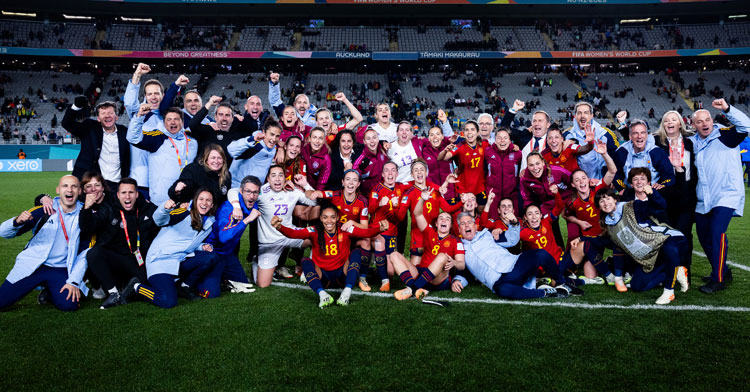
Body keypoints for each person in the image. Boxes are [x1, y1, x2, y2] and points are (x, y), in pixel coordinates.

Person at [273, 200, 388, 308]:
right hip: (323, 277)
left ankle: (346, 293)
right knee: (305, 261)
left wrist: (380, 229)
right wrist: (279, 227)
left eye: (333, 217)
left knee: (357, 252)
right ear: (321, 218)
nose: (329, 221)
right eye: (325, 217)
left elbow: (366, 232)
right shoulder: (314, 231)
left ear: (337, 218)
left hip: (342, 276)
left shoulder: (345, 229)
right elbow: (294, 233)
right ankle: (323, 295)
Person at [689, 99, 750, 293]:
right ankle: (722, 269)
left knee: (716, 233)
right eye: (700, 121)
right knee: (703, 236)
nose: (705, 123)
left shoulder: (725, 135)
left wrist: (727, 109)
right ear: (693, 124)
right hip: (704, 197)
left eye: (707, 119)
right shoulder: (692, 142)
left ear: (712, 120)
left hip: (726, 193)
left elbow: (746, 125)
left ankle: (718, 279)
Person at [0, 175, 86, 311]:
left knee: (69, 305)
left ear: (80, 191)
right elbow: (3, 233)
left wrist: (74, 281)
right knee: (1, 302)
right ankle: (46, 287)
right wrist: (16, 221)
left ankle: (50, 291)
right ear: (58, 190)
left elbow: (86, 252)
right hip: (34, 265)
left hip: (61, 269)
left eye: (74, 186)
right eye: (65, 186)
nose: (69, 190)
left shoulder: (86, 215)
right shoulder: (44, 210)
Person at [593, 185, 689, 304]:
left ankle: (669, 291)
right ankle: (675, 269)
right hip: (651, 256)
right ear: (599, 206)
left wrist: (652, 194)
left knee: (669, 247)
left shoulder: (632, 206)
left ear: (615, 199)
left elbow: (659, 206)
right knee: (637, 286)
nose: (605, 203)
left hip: (667, 240)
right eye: (601, 201)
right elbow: (607, 243)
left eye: (608, 198)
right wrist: (580, 239)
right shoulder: (609, 225)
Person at [227, 165, 318, 288]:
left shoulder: (292, 191)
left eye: (281, 175)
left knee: (317, 237)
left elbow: (314, 202)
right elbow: (233, 191)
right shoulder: (261, 192)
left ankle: (312, 271)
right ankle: (256, 261)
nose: (277, 179)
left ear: (285, 179)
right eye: (273, 175)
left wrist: (305, 184)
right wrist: (236, 206)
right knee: (262, 284)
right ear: (268, 179)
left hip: (290, 235)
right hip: (269, 242)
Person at [456, 212, 581, 299]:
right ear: (459, 230)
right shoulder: (460, 247)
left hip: (514, 265)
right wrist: (457, 280)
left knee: (541, 254)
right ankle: (545, 293)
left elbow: (511, 240)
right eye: (463, 224)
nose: (467, 225)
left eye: (469, 222)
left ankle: (562, 283)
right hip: (497, 280)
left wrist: (515, 224)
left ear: (475, 225)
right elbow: (461, 268)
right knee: (502, 290)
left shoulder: (488, 235)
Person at [129, 189, 220, 308]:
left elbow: (186, 242)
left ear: (212, 205)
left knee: (211, 257)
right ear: (195, 200)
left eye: (208, 200)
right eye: (201, 199)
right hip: (160, 261)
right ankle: (137, 287)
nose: (204, 203)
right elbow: (159, 220)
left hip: (178, 260)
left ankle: (184, 287)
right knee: (168, 301)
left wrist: (201, 246)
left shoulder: (208, 222)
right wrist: (164, 208)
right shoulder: (183, 213)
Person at [81, 178, 158, 309]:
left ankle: (128, 289)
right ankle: (114, 294)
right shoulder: (109, 207)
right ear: (118, 195)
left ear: (137, 194)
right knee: (94, 253)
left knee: (148, 284)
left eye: (131, 192)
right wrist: (86, 209)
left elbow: (163, 219)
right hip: (114, 259)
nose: (127, 196)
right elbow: (89, 227)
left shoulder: (146, 208)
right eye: (123, 193)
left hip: (136, 259)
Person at [558, 139, 617, 283]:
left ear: (588, 179)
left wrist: (604, 154)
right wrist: (578, 221)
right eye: (577, 180)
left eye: (583, 178)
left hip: (605, 236)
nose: (581, 182)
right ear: (573, 184)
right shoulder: (572, 202)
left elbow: (612, 171)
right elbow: (565, 214)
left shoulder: (597, 192)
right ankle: (607, 266)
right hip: (589, 242)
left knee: (620, 246)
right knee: (590, 275)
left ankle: (615, 268)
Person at [393, 187, 465, 301]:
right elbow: (417, 215)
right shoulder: (430, 232)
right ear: (436, 223)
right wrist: (422, 199)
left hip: (439, 279)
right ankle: (418, 289)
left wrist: (454, 262)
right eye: (441, 218)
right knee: (394, 255)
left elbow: (462, 265)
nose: (444, 220)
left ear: (451, 225)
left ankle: (412, 289)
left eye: (447, 219)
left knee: (442, 256)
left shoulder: (456, 241)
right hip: (422, 273)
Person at [653, 110, 697, 280]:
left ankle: (685, 270)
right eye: (666, 120)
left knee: (684, 233)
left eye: (674, 120)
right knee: (665, 234)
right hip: (665, 194)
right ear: (663, 125)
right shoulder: (657, 142)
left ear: (680, 123)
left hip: (686, 194)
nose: (670, 123)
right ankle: (667, 271)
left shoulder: (691, 143)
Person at [127, 106, 198, 207]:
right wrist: (139, 117)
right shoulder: (158, 138)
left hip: (185, 200)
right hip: (162, 200)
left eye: (176, 119)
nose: (173, 122)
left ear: (182, 122)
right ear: (164, 123)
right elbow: (133, 138)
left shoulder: (193, 141)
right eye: (169, 119)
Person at [395, 159, 461, 266]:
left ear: (426, 172)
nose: (419, 172)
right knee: (415, 273)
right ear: (412, 174)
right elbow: (400, 217)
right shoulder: (409, 193)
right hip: (418, 236)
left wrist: (462, 202)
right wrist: (394, 207)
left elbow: (448, 209)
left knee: (434, 268)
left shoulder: (434, 190)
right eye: (416, 170)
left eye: (422, 169)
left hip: (435, 235)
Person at [315, 169, 372, 291]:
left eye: (354, 180)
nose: (351, 183)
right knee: (317, 232)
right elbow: (319, 194)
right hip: (336, 237)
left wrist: (352, 222)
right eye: (348, 179)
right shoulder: (335, 195)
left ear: (358, 184)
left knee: (366, 241)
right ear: (343, 182)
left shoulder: (363, 201)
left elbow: (365, 227)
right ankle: (316, 266)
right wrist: (309, 190)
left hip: (351, 237)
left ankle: (362, 277)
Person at [62, 99, 130, 190]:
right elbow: (67, 124)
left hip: (116, 185)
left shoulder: (124, 132)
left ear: (116, 116)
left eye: (110, 113)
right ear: (98, 118)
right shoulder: (90, 127)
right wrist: (76, 106)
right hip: (92, 184)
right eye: (103, 113)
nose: (107, 116)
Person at [209, 175, 261, 292]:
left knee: (242, 282)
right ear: (241, 191)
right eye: (248, 192)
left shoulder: (253, 204)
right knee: (212, 291)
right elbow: (224, 237)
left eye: (255, 192)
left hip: (227, 253)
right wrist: (246, 220)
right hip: (213, 252)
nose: (251, 196)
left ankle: (223, 276)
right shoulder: (229, 209)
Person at [124, 63, 167, 197]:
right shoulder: (139, 113)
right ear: (145, 97)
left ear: (163, 95)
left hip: (162, 181)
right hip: (140, 180)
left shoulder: (169, 118)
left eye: (156, 93)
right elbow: (130, 102)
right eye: (149, 94)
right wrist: (137, 75)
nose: (153, 97)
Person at [367, 161, 408, 292]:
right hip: (377, 230)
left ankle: (373, 272)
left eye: (393, 170)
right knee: (379, 245)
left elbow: (418, 183)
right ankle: (379, 277)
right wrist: (379, 203)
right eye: (387, 170)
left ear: (397, 173)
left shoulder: (401, 187)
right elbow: (370, 209)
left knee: (390, 273)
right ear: (382, 174)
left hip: (391, 232)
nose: (390, 173)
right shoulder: (376, 189)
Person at [520, 152, 573, 248]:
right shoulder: (525, 178)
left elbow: (574, 180)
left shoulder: (556, 171)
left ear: (543, 162)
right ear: (527, 166)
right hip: (548, 204)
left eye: (537, 163)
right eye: (531, 165)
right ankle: (554, 250)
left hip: (567, 199)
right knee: (547, 224)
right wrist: (530, 213)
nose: (535, 168)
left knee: (573, 228)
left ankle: (572, 255)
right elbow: (527, 199)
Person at [612, 119, 674, 192]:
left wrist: (662, 185)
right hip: (629, 193)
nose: (639, 136)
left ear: (647, 135)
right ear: (630, 136)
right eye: (635, 133)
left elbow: (669, 176)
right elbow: (615, 175)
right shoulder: (621, 152)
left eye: (642, 133)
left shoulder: (657, 152)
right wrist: (623, 189)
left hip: (653, 193)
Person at [564, 101, 619, 180]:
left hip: (602, 183)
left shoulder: (606, 134)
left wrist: (614, 180)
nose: (582, 116)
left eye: (586, 113)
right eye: (579, 113)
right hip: (578, 185)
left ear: (591, 115)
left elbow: (616, 158)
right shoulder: (567, 135)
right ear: (575, 116)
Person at [440, 120, 489, 207]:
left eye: (472, 129)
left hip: (480, 186)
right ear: (463, 133)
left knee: (481, 213)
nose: (469, 132)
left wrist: (514, 147)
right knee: (464, 214)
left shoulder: (485, 144)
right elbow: (444, 158)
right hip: (463, 187)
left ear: (478, 132)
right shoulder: (459, 146)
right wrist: (445, 150)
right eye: (467, 130)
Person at [188, 96, 251, 163]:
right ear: (215, 117)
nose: (224, 118)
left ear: (232, 118)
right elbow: (192, 125)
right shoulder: (207, 131)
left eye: (227, 115)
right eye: (221, 114)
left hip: (226, 172)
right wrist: (209, 104)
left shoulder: (238, 134)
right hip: (203, 171)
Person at [227, 118, 282, 188]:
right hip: (238, 187)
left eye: (277, 136)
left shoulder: (273, 149)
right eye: (271, 134)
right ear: (264, 132)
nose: (274, 139)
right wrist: (252, 139)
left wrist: (281, 149)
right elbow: (231, 150)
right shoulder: (255, 144)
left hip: (255, 190)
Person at [484, 127, 522, 219]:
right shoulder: (487, 152)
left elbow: (521, 174)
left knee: (512, 223)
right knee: (493, 223)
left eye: (505, 138)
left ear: (510, 140)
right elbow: (483, 171)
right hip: (493, 196)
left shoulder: (518, 154)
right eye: (499, 138)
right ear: (495, 140)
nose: (502, 141)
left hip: (512, 195)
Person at [353, 127, 389, 196]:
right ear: (364, 142)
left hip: (384, 192)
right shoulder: (361, 158)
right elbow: (354, 176)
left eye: (374, 137)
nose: (372, 141)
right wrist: (360, 169)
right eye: (368, 139)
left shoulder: (383, 150)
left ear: (378, 139)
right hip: (368, 196)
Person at [301, 127, 331, 191]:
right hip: (299, 186)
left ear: (324, 141)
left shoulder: (325, 159)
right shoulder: (303, 150)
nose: (317, 141)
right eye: (314, 137)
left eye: (320, 138)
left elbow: (322, 183)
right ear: (309, 139)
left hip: (313, 190)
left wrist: (316, 197)